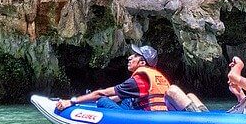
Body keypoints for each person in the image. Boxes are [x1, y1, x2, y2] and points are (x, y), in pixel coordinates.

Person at [55, 45, 206, 112]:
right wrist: (86, 101)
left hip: (152, 117)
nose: (129, 57)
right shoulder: (156, 75)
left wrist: (72, 101)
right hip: (155, 110)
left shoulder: (139, 79)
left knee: (101, 99)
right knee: (125, 99)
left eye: (134, 56)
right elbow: (118, 96)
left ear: (142, 62)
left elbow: (103, 94)